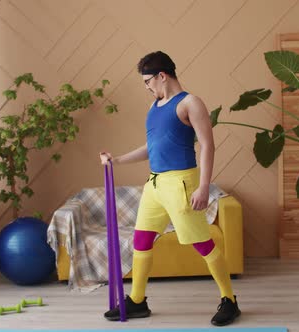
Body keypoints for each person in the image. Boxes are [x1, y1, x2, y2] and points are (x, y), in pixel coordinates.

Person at [99, 51, 240, 326]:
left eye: (148, 81)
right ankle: (138, 301)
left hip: (181, 184)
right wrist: (117, 161)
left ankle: (229, 300)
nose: (147, 87)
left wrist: (203, 187)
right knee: (141, 240)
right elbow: (151, 148)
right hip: (155, 184)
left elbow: (208, 146)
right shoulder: (155, 106)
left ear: (162, 75)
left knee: (202, 243)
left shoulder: (190, 103)